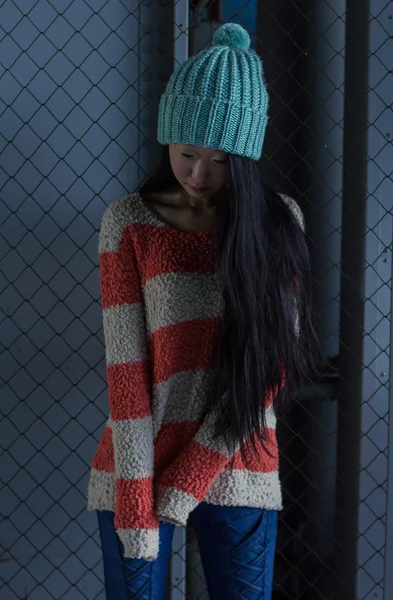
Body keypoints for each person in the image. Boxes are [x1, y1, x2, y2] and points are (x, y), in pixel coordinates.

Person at [87, 22, 323, 600]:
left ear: (241, 158)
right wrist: (141, 502)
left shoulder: (277, 221)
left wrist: (187, 484)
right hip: (136, 466)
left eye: (217, 160)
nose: (197, 174)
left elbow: (269, 371)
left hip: (238, 461)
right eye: (186, 153)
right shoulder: (129, 222)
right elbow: (127, 375)